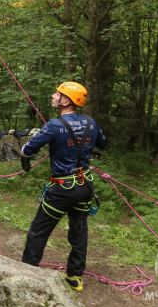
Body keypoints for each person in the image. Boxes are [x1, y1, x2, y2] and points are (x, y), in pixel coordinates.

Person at [19, 81, 107, 292]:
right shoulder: (91, 123)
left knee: (38, 231)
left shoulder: (54, 125)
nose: (53, 96)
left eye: (56, 94)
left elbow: (28, 149)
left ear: (65, 100)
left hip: (62, 189)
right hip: (84, 185)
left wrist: (25, 155)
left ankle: (26, 273)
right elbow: (101, 145)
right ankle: (75, 276)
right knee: (79, 230)